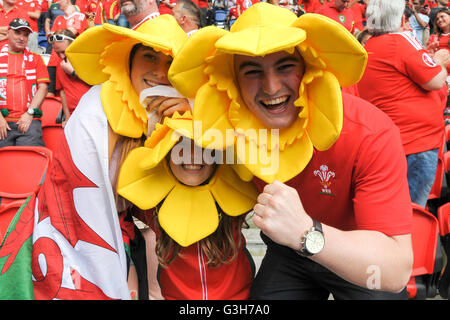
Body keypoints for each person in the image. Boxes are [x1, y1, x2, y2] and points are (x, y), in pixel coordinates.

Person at [169, 2, 413, 299]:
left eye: (285, 66)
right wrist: (168, 125)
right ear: (232, 82)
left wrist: (305, 232)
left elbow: (396, 269)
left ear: (309, 67)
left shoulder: (368, 131)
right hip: (290, 254)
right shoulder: (225, 130)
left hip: (358, 251)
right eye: (252, 71)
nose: (271, 87)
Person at [21, 14, 189, 300]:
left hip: (140, 234)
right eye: (149, 57)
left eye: (170, 63)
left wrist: (186, 121)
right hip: (75, 231)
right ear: (129, 62)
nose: (161, 73)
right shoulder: (95, 110)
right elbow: (83, 204)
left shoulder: (179, 109)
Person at [116, 111, 258, 299]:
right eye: (179, 145)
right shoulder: (153, 201)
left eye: (203, 146)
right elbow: (113, 202)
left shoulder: (235, 192)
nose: (192, 155)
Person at [359, 0, 449, 208]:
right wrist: (440, 62)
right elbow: (435, 80)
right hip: (416, 144)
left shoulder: (370, 45)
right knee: (410, 212)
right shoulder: (399, 40)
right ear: (401, 18)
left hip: (397, 143)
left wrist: (427, 56)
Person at [0, 19, 49, 148]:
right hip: (2, 120)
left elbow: (43, 88)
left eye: (25, 35)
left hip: (29, 120)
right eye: (18, 33)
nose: (22, 38)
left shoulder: (36, 58)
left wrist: (29, 113)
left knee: (30, 160)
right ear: (8, 32)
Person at [52, 28, 91, 127]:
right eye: (57, 53)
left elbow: (98, 83)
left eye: (64, 52)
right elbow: (62, 92)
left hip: (91, 113)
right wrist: (68, 117)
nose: (61, 56)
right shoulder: (59, 65)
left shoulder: (87, 59)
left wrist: (73, 73)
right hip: (74, 117)